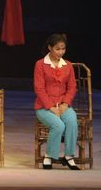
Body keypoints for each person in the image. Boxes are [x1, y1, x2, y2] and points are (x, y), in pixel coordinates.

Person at [34, 33, 80, 170]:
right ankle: (49, 155)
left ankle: (69, 156)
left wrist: (65, 104)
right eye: (57, 49)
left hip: (63, 105)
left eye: (63, 49)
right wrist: (51, 107)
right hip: (44, 107)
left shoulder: (68, 65)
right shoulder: (40, 64)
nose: (61, 52)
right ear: (50, 48)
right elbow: (39, 88)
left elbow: (72, 87)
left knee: (72, 121)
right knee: (58, 125)